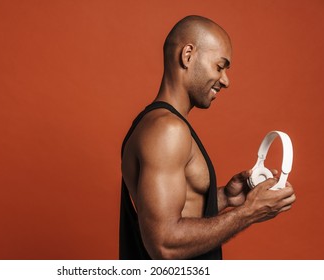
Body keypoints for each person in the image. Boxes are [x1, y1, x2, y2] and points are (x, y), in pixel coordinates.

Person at [119, 15, 296, 260]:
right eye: (219, 66)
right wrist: (249, 212)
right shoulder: (167, 130)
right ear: (188, 56)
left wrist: (225, 198)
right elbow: (164, 244)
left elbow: (167, 209)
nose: (226, 80)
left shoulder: (160, 124)